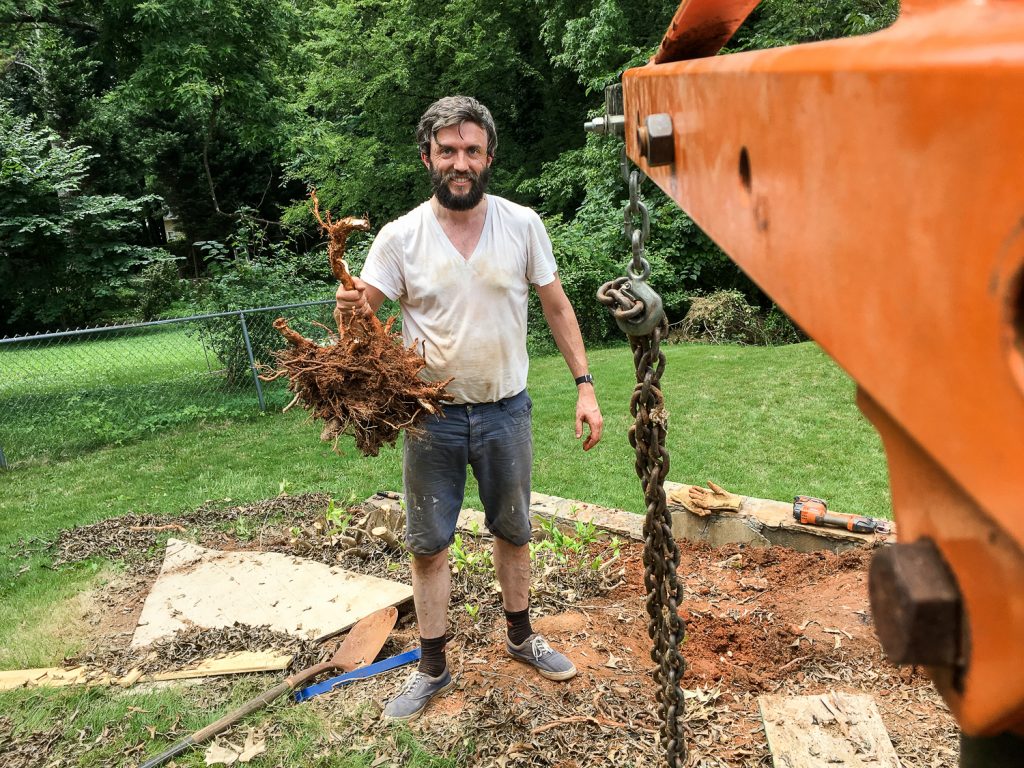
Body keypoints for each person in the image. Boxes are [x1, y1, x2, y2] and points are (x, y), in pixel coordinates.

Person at [335, 95, 603, 721]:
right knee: (428, 543)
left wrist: (585, 385)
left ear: (488, 158)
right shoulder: (400, 237)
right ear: (427, 156)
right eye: (448, 150)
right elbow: (362, 313)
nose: (461, 162)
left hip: (507, 410)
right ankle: (432, 667)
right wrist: (349, 310)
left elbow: (558, 307)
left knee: (513, 530)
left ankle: (520, 635)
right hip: (431, 419)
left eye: (472, 151)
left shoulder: (522, 224)